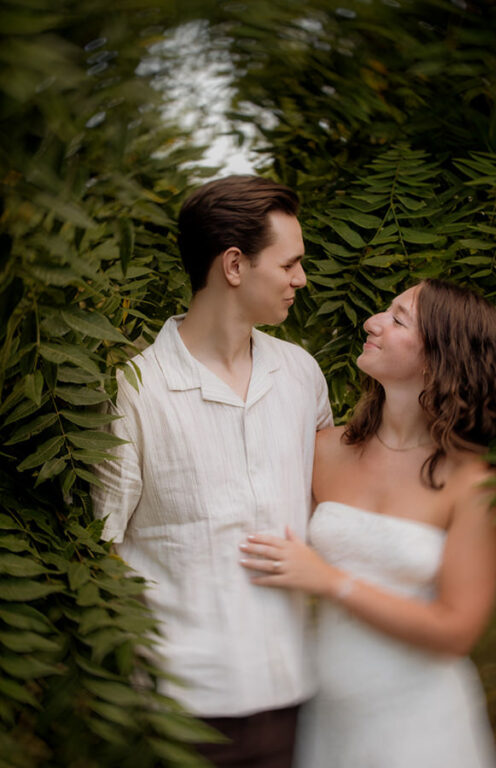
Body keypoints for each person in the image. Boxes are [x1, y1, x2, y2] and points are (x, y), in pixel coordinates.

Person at [92, 176, 332, 767]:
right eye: (290, 263)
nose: (301, 279)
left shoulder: (301, 374)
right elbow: (100, 549)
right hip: (184, 710)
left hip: (303, 689)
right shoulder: (134, 390)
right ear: (233, 265)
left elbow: (333, 502)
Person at [239, 279, 496, 768]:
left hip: (422, 726)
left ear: (439, 357)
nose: (372, 322)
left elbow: (457, 631)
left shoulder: (472, 483)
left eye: (398, 318)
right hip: (325, 718)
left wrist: (332, 582)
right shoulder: (323, 450)